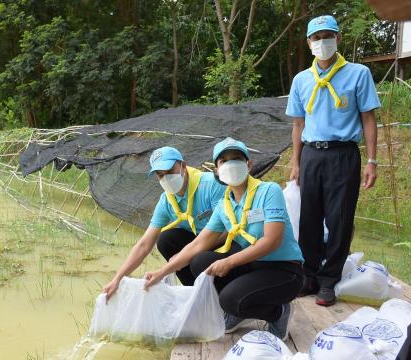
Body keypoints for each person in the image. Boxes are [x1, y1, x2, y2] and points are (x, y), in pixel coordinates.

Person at [143, 138, 304, 340]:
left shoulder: (268, 191)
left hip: (283, 270)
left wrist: (228, 261)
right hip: (252, 265)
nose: (230, 164)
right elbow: (197, 245)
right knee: (200, 261)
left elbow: (272, 241)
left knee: (229, 300)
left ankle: (278, 312)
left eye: (236, 158)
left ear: (248, 164)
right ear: (217, 170)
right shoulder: (224, 205)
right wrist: (161, 272)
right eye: (223, 161)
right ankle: (240, 309)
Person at [286, 15, 380, 306]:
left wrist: (372, 161)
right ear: (309, 42)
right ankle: (309, 275)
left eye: (328, 35)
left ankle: (330, 279)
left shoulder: (358, 74)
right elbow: (298, 125)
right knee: (309, 218)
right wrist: (296, 161)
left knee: (339, 218)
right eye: (316, 37)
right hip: (312, 153)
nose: (322, 42)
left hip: (343, 153)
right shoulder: (301, 80)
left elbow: (368, 118)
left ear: (338, 39)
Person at [102, 146, 226, 300]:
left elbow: (227, 229)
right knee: (166, 239)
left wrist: (181, 257)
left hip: (226, 241)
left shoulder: (211, 185)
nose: (166, 178)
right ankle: (201, 297)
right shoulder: (166, 201)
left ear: (183, 165)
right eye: (160, 175)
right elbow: (144, 244)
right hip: (201, 240)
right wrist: (117, 279)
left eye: (170, 172)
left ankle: (225, 299)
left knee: (197, 260)